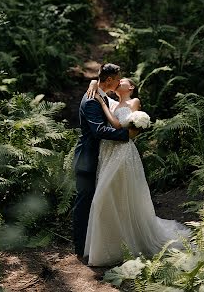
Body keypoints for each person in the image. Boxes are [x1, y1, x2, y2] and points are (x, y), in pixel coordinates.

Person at [84, 76, 191, 267]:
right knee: (110, 197)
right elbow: (98, 87)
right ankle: (111, 246)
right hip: (108, 152)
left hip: (123, 153)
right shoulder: (112, 102)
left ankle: (131, 243)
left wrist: (102, 105)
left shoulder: (134, 102)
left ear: (131, 86)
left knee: (120, 195)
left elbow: (118, 125)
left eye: (122, 80)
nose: (118, 82)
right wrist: (93, 83)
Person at [72, 63, 138, 260]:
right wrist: (127, 134)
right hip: (87, 158)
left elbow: (112, 107)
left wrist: (93, 81)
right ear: (109, 80)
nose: (119, 82)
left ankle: (94, 245)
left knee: (97, 201)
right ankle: (81, 247)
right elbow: (99, 130)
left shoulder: (101, 95)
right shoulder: (92, 100)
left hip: (100, 157)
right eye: (118, 79)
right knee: (84, 203)